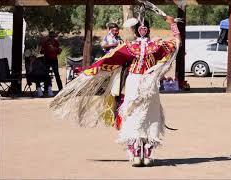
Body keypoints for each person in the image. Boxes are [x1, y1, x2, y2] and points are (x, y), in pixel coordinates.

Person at [50, 15, 181, 167]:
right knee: (132, 114)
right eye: (140, 27)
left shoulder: (156, 45)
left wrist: (172, 25)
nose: (143, 30)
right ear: (136, 30)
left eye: (145, 27)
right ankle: (135, 152)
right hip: (134, 82)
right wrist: (88, 74)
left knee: (151, 115)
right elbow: (108, 60)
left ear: (147, 29)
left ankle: (147, 152)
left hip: (149, 83)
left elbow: (177, 43)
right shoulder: (128, 47)